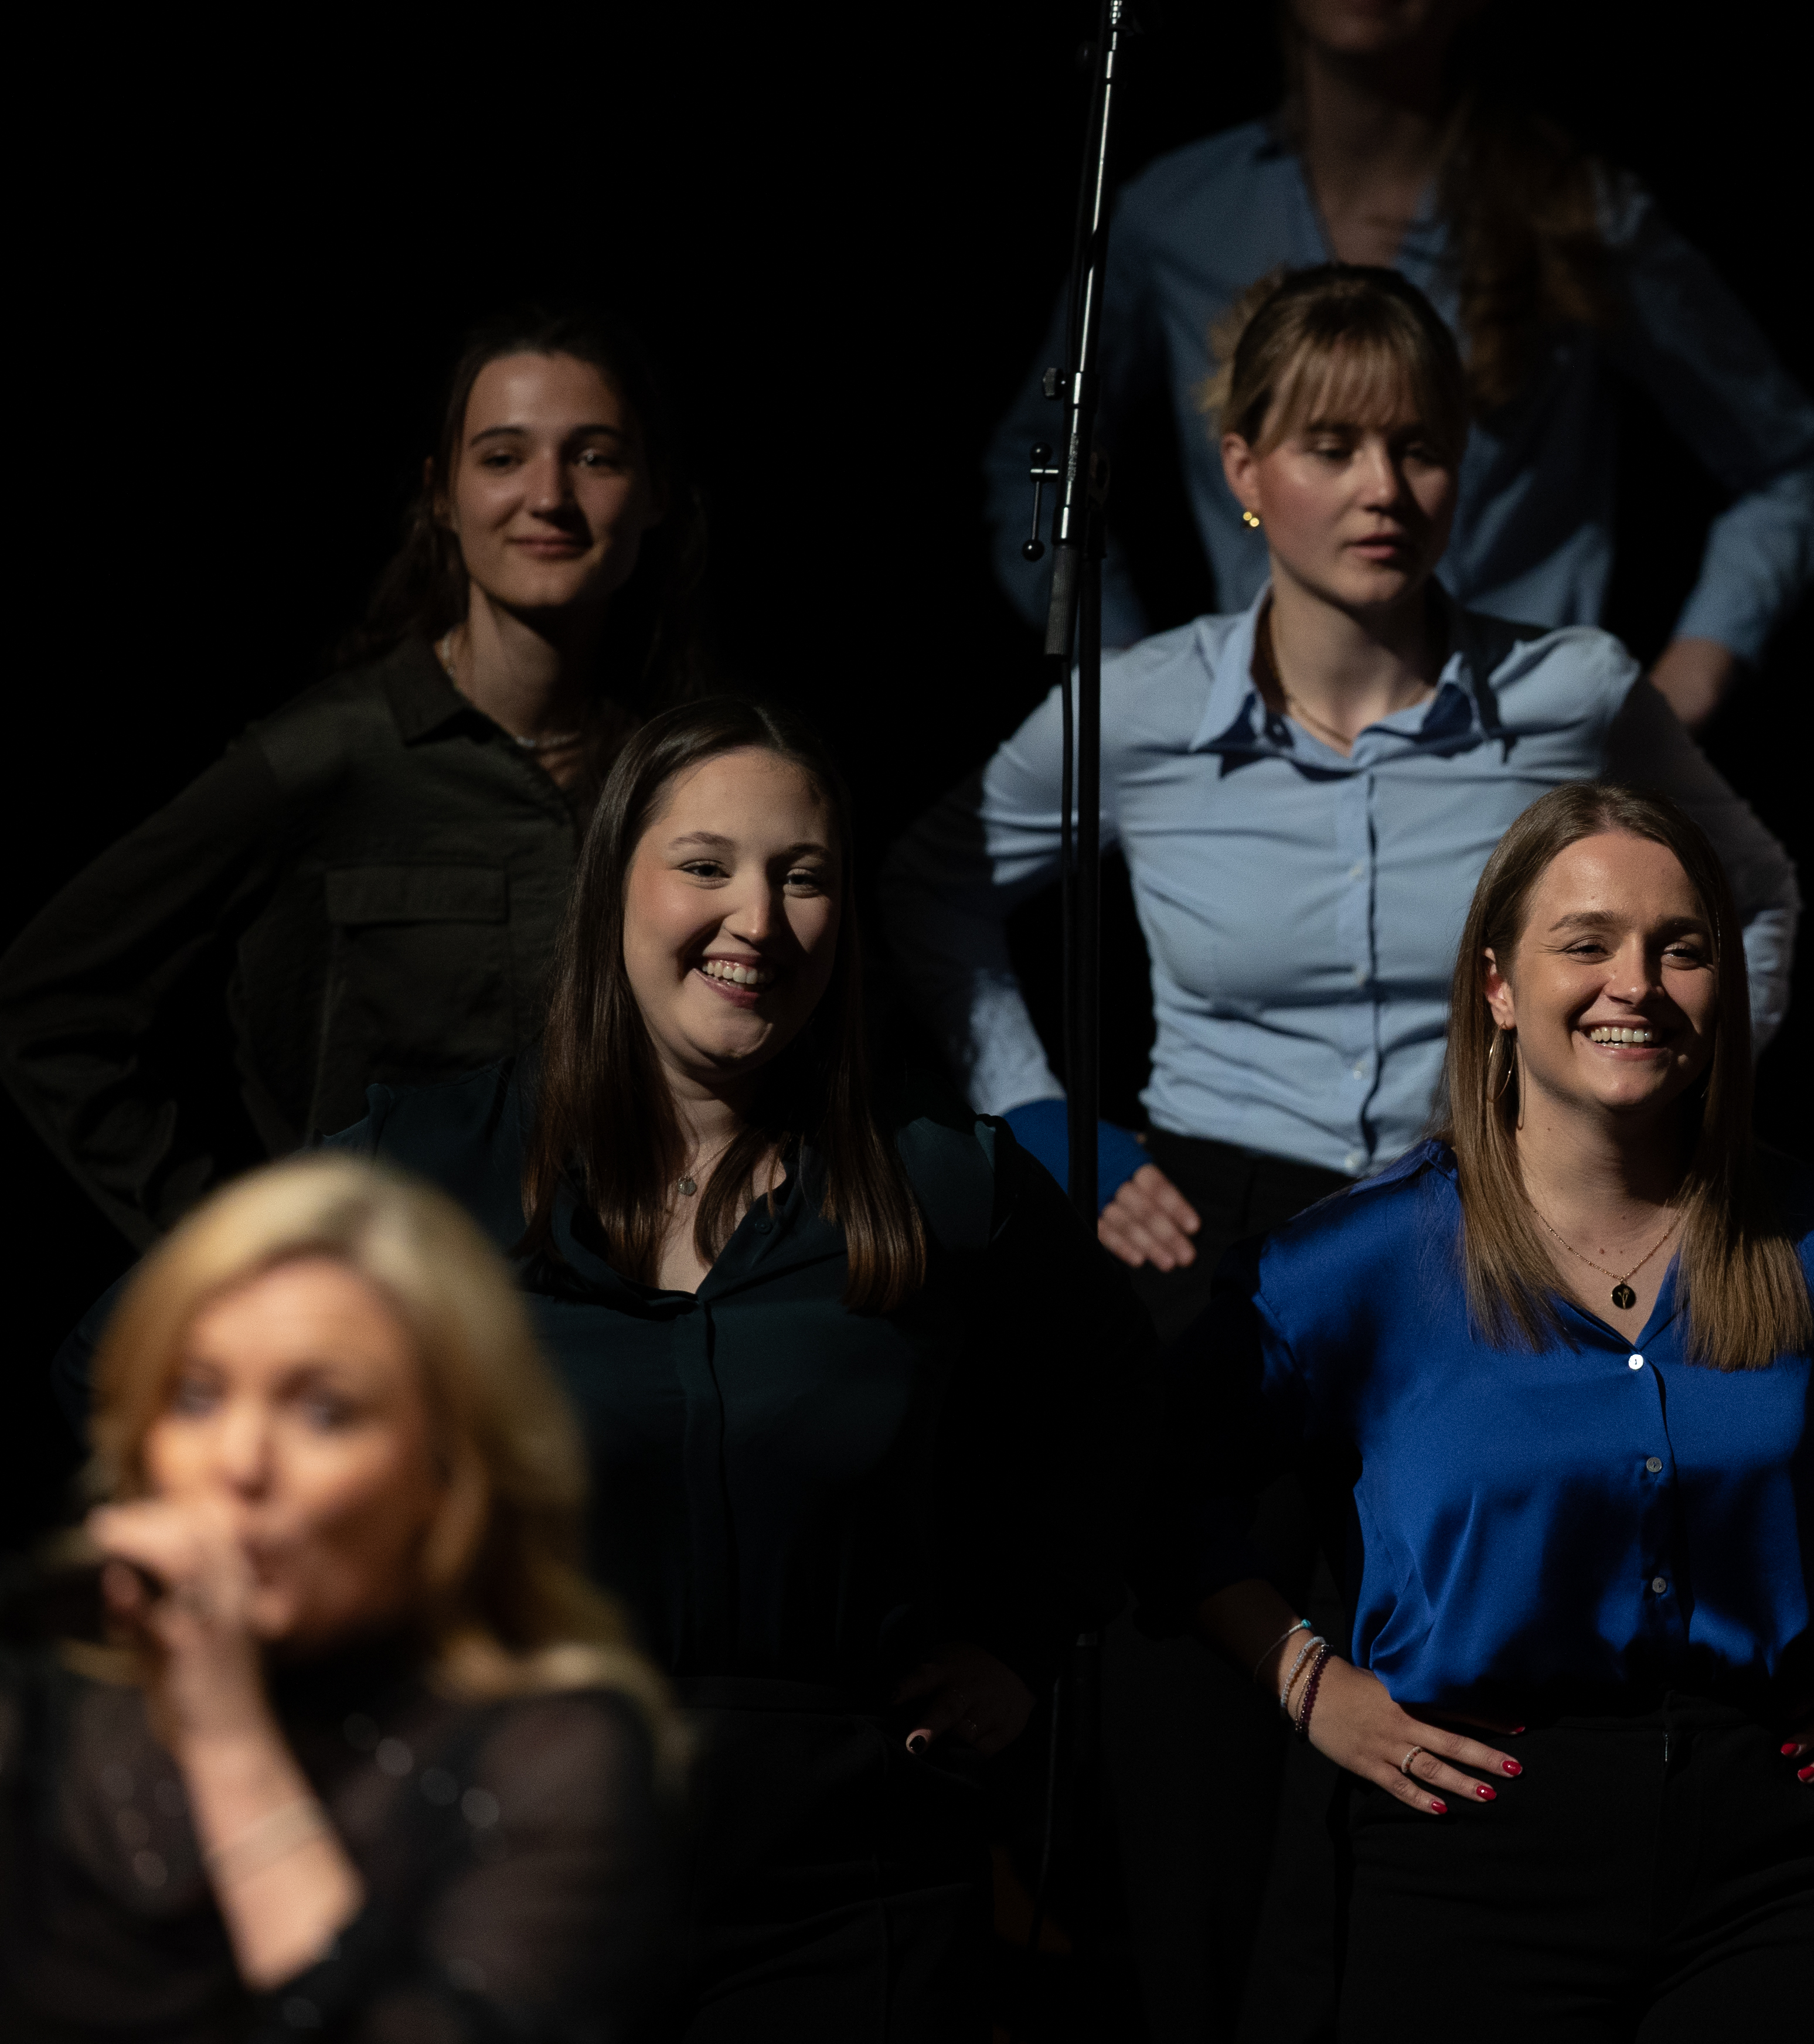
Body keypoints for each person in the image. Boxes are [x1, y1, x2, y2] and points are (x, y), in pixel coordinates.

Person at [900, 260, 1798, 2044]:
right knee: (1195, 1723)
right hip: (1217, 1224)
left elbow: (1751, 895)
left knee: (1450, 1719)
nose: (1383, 490)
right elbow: (930, 889)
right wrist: (1049, 1121)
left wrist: (1661, 1120)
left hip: (1481, 1236)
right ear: (1245, 470)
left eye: (1421, 448)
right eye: (1332, 447)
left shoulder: (1564, 691)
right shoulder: (1142, 706)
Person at [62, 699, 1143, 2039]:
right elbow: (135, 1364)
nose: (758, 918)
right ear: (611, 885)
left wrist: (1020, 1644)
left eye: (802, 878)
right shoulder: (435, 1162)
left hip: (845, 1893)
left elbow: (1131, 1416)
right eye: (706, 866)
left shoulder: (942, 1180)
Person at [1146, 781, 1814, 2042]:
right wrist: (1307, 1683)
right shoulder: (1359, 1264)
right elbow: (1154, 1482)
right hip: (1471, 1847)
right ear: (1498, 986)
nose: (1639, 982)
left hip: (1781, 1856)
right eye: (1588, 943)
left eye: (1682, 947)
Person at [982, 0, 1814, 728]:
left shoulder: (1573, 213)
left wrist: (1686, 683)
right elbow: (1041, 454)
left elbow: (1791, 462)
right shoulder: (1176, 215)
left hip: (1516, 760)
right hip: (1264, 753)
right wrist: (1124, 671)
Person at [0, 301, 709, 1248]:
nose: (549, 494)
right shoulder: (327, 759)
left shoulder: (688, 772)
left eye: (595, 456)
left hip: (622, 1331)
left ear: (654, 492)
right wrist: (228, 1249)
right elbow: (53, 999)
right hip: (388, 1326)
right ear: (442, 496)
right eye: (502, 457)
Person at [2, 1153, 676, 2039]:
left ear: (446, 1473)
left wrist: (226, 1738)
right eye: (197, 1397)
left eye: (324, 1412)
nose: (239, 1463)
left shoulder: (554, 1755)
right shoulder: (50, 1707)